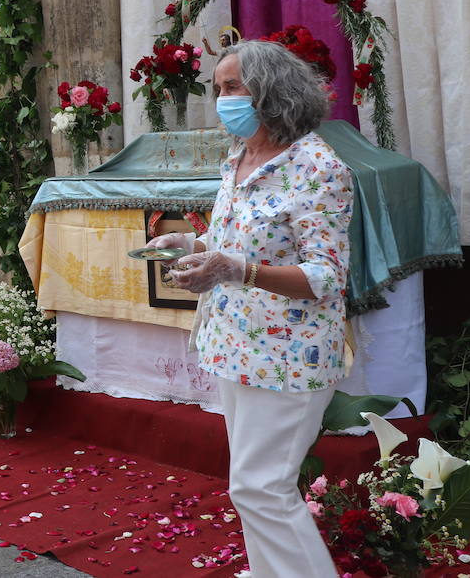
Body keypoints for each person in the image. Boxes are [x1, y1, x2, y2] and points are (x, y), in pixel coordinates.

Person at [145, 39, 353, 578]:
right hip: (236, 345)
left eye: (232, 87)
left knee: (263, 488)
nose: (223, 99)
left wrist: (237, 271)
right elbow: (230, 244)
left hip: (289, 352)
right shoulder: (238, 160)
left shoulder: (316, 166)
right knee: (253, 488)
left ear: (270, 91)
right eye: (218, 89)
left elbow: (326, 277)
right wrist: (191, 250)